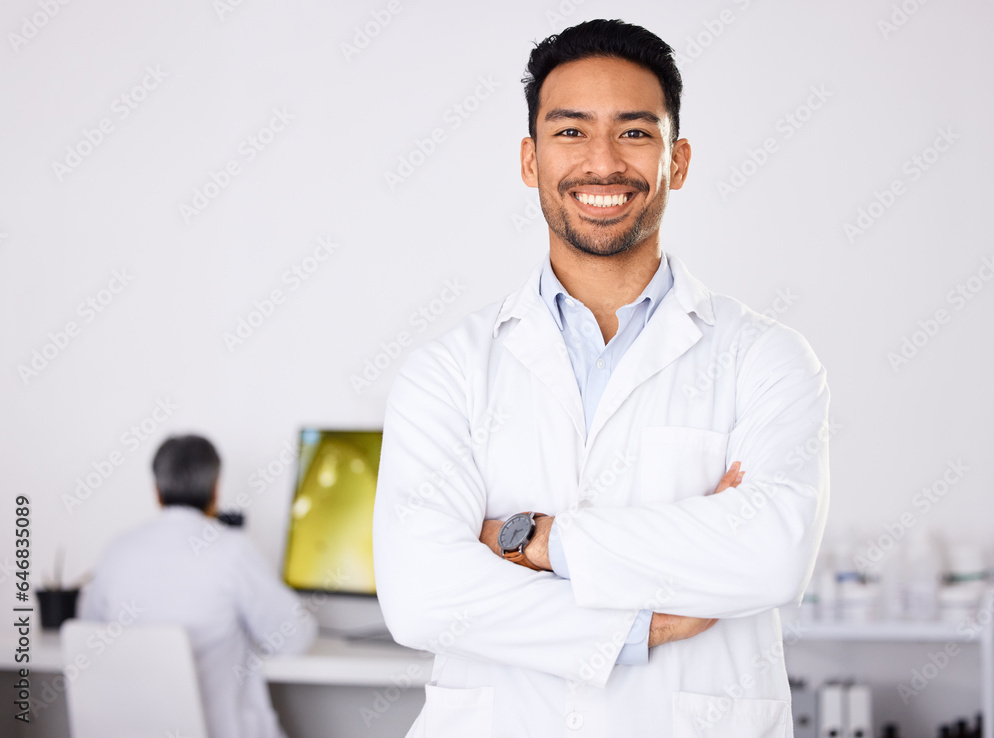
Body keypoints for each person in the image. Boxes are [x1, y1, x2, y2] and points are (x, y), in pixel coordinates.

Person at [372, 18, 829, 737]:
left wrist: (540, 543)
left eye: (636, 133)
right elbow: (422, 595)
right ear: (531, 160)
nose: (603, 163)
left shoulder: (766, 358)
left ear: (677, 161)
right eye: (571, 132)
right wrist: (640, 627)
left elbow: (772, 556)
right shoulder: (447, 372)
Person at [79, 434, 316, 738]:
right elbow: (294, 638)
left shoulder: (117, 551)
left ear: (157, 491)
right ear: (215, 490)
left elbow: (89, 634)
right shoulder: (233, 551)